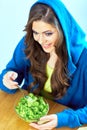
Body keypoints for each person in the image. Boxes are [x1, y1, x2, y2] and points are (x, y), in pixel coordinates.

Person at [0, 0, 87, 129]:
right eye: (35, 32)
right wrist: (7, 79)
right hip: (29, 121)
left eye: (48, 33)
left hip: (64, 122)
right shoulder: (28, 42)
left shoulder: (84, 57)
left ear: (63, 30)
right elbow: (11, 72)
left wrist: (63, 119)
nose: (40, 40)